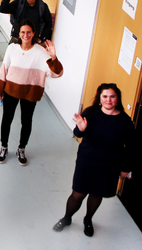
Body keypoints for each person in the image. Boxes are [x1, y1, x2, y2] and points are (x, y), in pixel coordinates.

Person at [52, 83, 133, 237]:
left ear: (117, 99)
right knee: (78, 194)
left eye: (112, 96)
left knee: (97, 194)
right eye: (105, 96)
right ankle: (67, 218)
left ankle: (88, 219)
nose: (108, 100)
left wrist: (125, 168)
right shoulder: (90, 113)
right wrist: (80, 129)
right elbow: (78, 133)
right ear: (100, 98)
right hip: (87, 161)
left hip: (109, 165)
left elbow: (130, 147)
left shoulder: (124, 121)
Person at [0, 20, 63, 165]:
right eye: (23, 32)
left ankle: (21, 148)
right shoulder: (12, 48)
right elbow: (4, 69)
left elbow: (57, 73)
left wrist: (53, 57)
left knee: (26, 122)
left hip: (30, 92)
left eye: (28, 32)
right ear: (19, 34)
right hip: (11, 90)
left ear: (33, 34)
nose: (26, 35)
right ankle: (4, 146)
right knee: (7, 119)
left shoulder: (41, 52)